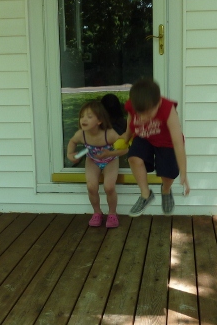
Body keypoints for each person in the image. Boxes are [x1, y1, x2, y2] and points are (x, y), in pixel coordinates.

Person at [118, 78, 190, 216]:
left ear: (159, 103)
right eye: (140, 113)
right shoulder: (134, 104)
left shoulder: (168, 110)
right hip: (145, 136)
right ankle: (146, 194)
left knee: (168, 174)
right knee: (133, 158)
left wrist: (184, 172)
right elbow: (130, 118)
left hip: (167, 142)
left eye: (148, 113)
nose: (143, 117)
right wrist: (127, 135)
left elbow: (178, 143)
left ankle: (166, 190)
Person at [67, 101, 127, 228]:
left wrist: (109, 154)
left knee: (109, 187)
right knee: (91, 187)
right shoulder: (81, 134)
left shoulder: (109, 134)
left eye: (89, 117)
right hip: (92, 160)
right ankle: (97, 212)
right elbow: (72, 142)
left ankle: (112, 213)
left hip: (110, 160)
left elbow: (125, 149)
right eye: (82, 116)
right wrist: (70, 154)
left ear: (99, 121)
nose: (84, 119)